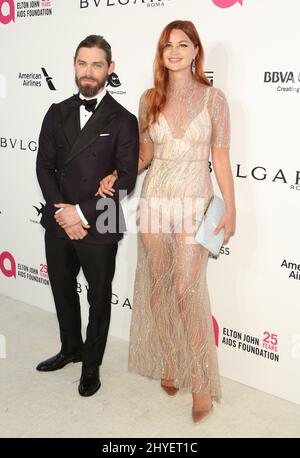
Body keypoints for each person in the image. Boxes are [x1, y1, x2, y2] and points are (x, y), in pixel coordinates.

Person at [97, 20, 236, 422]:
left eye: (182, 44)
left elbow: (222, 159)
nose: (174, 51)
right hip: (155, 199)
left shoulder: (215, 100)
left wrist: (231, 206)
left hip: (194, 201)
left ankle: (203, 382)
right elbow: (144, 154)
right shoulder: (149, 98)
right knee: (158, 284)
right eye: (167, 45)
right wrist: (119, 175)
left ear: (196, 51)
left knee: (187, 289)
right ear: (161, 54)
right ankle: (171, 361)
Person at [35, 35, 139, 397]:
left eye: (97, 64)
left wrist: (81, 213)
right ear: (74, 65)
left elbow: (126, 177)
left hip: (102, 216)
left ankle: (91, 364)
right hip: (60, 216)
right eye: (83, 63)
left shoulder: (124, 119)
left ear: (110, 69)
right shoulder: (56, 111)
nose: (89, 72)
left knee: (98, 297)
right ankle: (70, 348)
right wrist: (63, 212)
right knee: (63, 289)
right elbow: (44, 167)